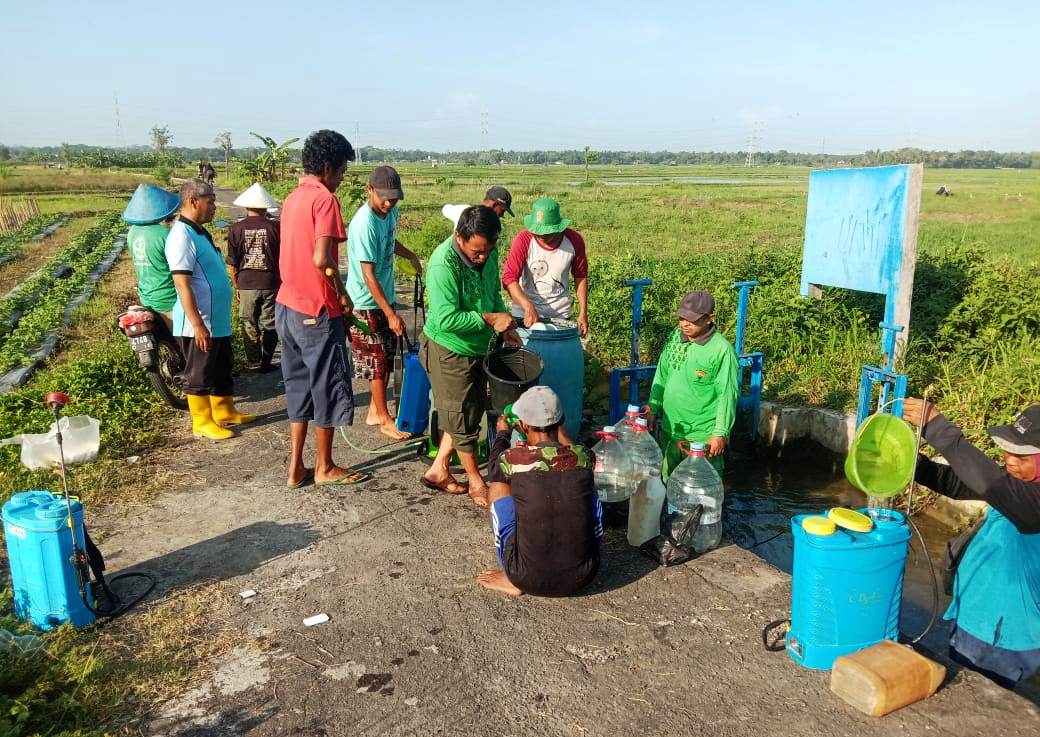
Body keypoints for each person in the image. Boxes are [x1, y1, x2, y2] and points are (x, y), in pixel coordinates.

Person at [902, 399, 1040, 689]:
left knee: (976, 699)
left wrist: (938, 427)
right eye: (1009, 449)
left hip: (1001, 636)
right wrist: (910, 465)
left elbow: (990, 483)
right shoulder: (1020, 489)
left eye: (1023, 456)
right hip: (977, 617)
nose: (1010, 460)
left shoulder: (1032, 503)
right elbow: (957, 482)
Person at [275, 129, 370, 489]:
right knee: (327, 385)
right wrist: (342, 294)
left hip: (287, 306)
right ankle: (325, 466)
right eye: (343, 170)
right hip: (316, 310)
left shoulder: (292, 198)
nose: (343, 178)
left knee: (298, 385)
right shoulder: (324, 200)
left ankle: (295, 467)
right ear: (328, 167)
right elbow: (322, 259)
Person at [420, 205, 519, 506]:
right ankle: (477, 481)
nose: (483, 257)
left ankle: (438, 470)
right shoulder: (442, 265)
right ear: (460, 238)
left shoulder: (487, 255)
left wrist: (506, 326)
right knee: (461, 416)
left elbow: (492, 294)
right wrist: (489, 320)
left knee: (469, 409)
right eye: (477, 251)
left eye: (488, 250)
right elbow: (446, 318)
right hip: (451, 348)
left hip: (478, 346)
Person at [478, 386, 603, 597]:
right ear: (561, 420)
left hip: (525, 577)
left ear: (524, 424)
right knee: (588, 492)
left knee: (498, 486)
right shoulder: (585, 456)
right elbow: (572, 453)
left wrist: (502, 434)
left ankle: (511, 579)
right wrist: (560, 432)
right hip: (585, 575)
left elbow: (494, 469)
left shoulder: (513, 459)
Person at [166, 179, 255, 440]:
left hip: (216, 320)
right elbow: (182, 285)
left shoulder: (199, 231)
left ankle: (224, 409)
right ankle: (202, 420)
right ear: (194, 201)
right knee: (200, 372)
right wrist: (197, 324)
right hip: (200, 322)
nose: (214, 206)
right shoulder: (181, 236)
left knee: (221, 367)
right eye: (211, 200)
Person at [345, 166, 422, 439]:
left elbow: (390, 240)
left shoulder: (390, 212)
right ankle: (383, 416)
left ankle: (375, 411)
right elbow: (368, 275)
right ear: (370, 190)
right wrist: (391, 313)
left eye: (394, 198)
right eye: (384, 198)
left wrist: (410, 254)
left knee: (387, 356)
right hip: (365, 302)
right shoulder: (364, 224)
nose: (389, 203)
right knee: (376, 360)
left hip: (384, 296)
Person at [648, 290, 738, 479]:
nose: (685, 324)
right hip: (671, 431)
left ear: (709, 318)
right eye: (681, 318)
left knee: (702, 492)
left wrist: (720, 433)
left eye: (692, 319)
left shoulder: (722, 351)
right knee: (669, 485)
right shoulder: (674, 337)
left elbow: (727, 395)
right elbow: (662, 374)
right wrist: (653, 407)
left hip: (702, 438)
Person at [502, 197, 589, 337]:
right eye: (538, 232)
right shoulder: (523, 240)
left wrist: (583, 313)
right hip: (525, 315)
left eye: (547, 233)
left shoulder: (574, 240)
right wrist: (528, 306)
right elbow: (509, 279)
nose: (542, 236)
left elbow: (580, 276)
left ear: (558, 227)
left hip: (559, 314)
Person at [227, 183, 281, 373]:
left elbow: (233, 263)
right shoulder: (276, 227)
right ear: (266, 206)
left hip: (246, 283)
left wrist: (236, 286)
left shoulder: (235, 229)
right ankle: (266, 363)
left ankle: (253, 361)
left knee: (248, 322)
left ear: (246, 206)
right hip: (271, 283)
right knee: (270, 323)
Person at [122, 183, 180, 330]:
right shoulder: (167, 234)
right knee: (186, 346)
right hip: (169, 299)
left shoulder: (132, 233)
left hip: (146, 296)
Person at [441, 185, 514, 227]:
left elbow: (446, 209)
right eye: (502, 211)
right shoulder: (464, 212)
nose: (502, 215)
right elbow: (446, 209)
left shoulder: (463, 210)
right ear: (494, 204)